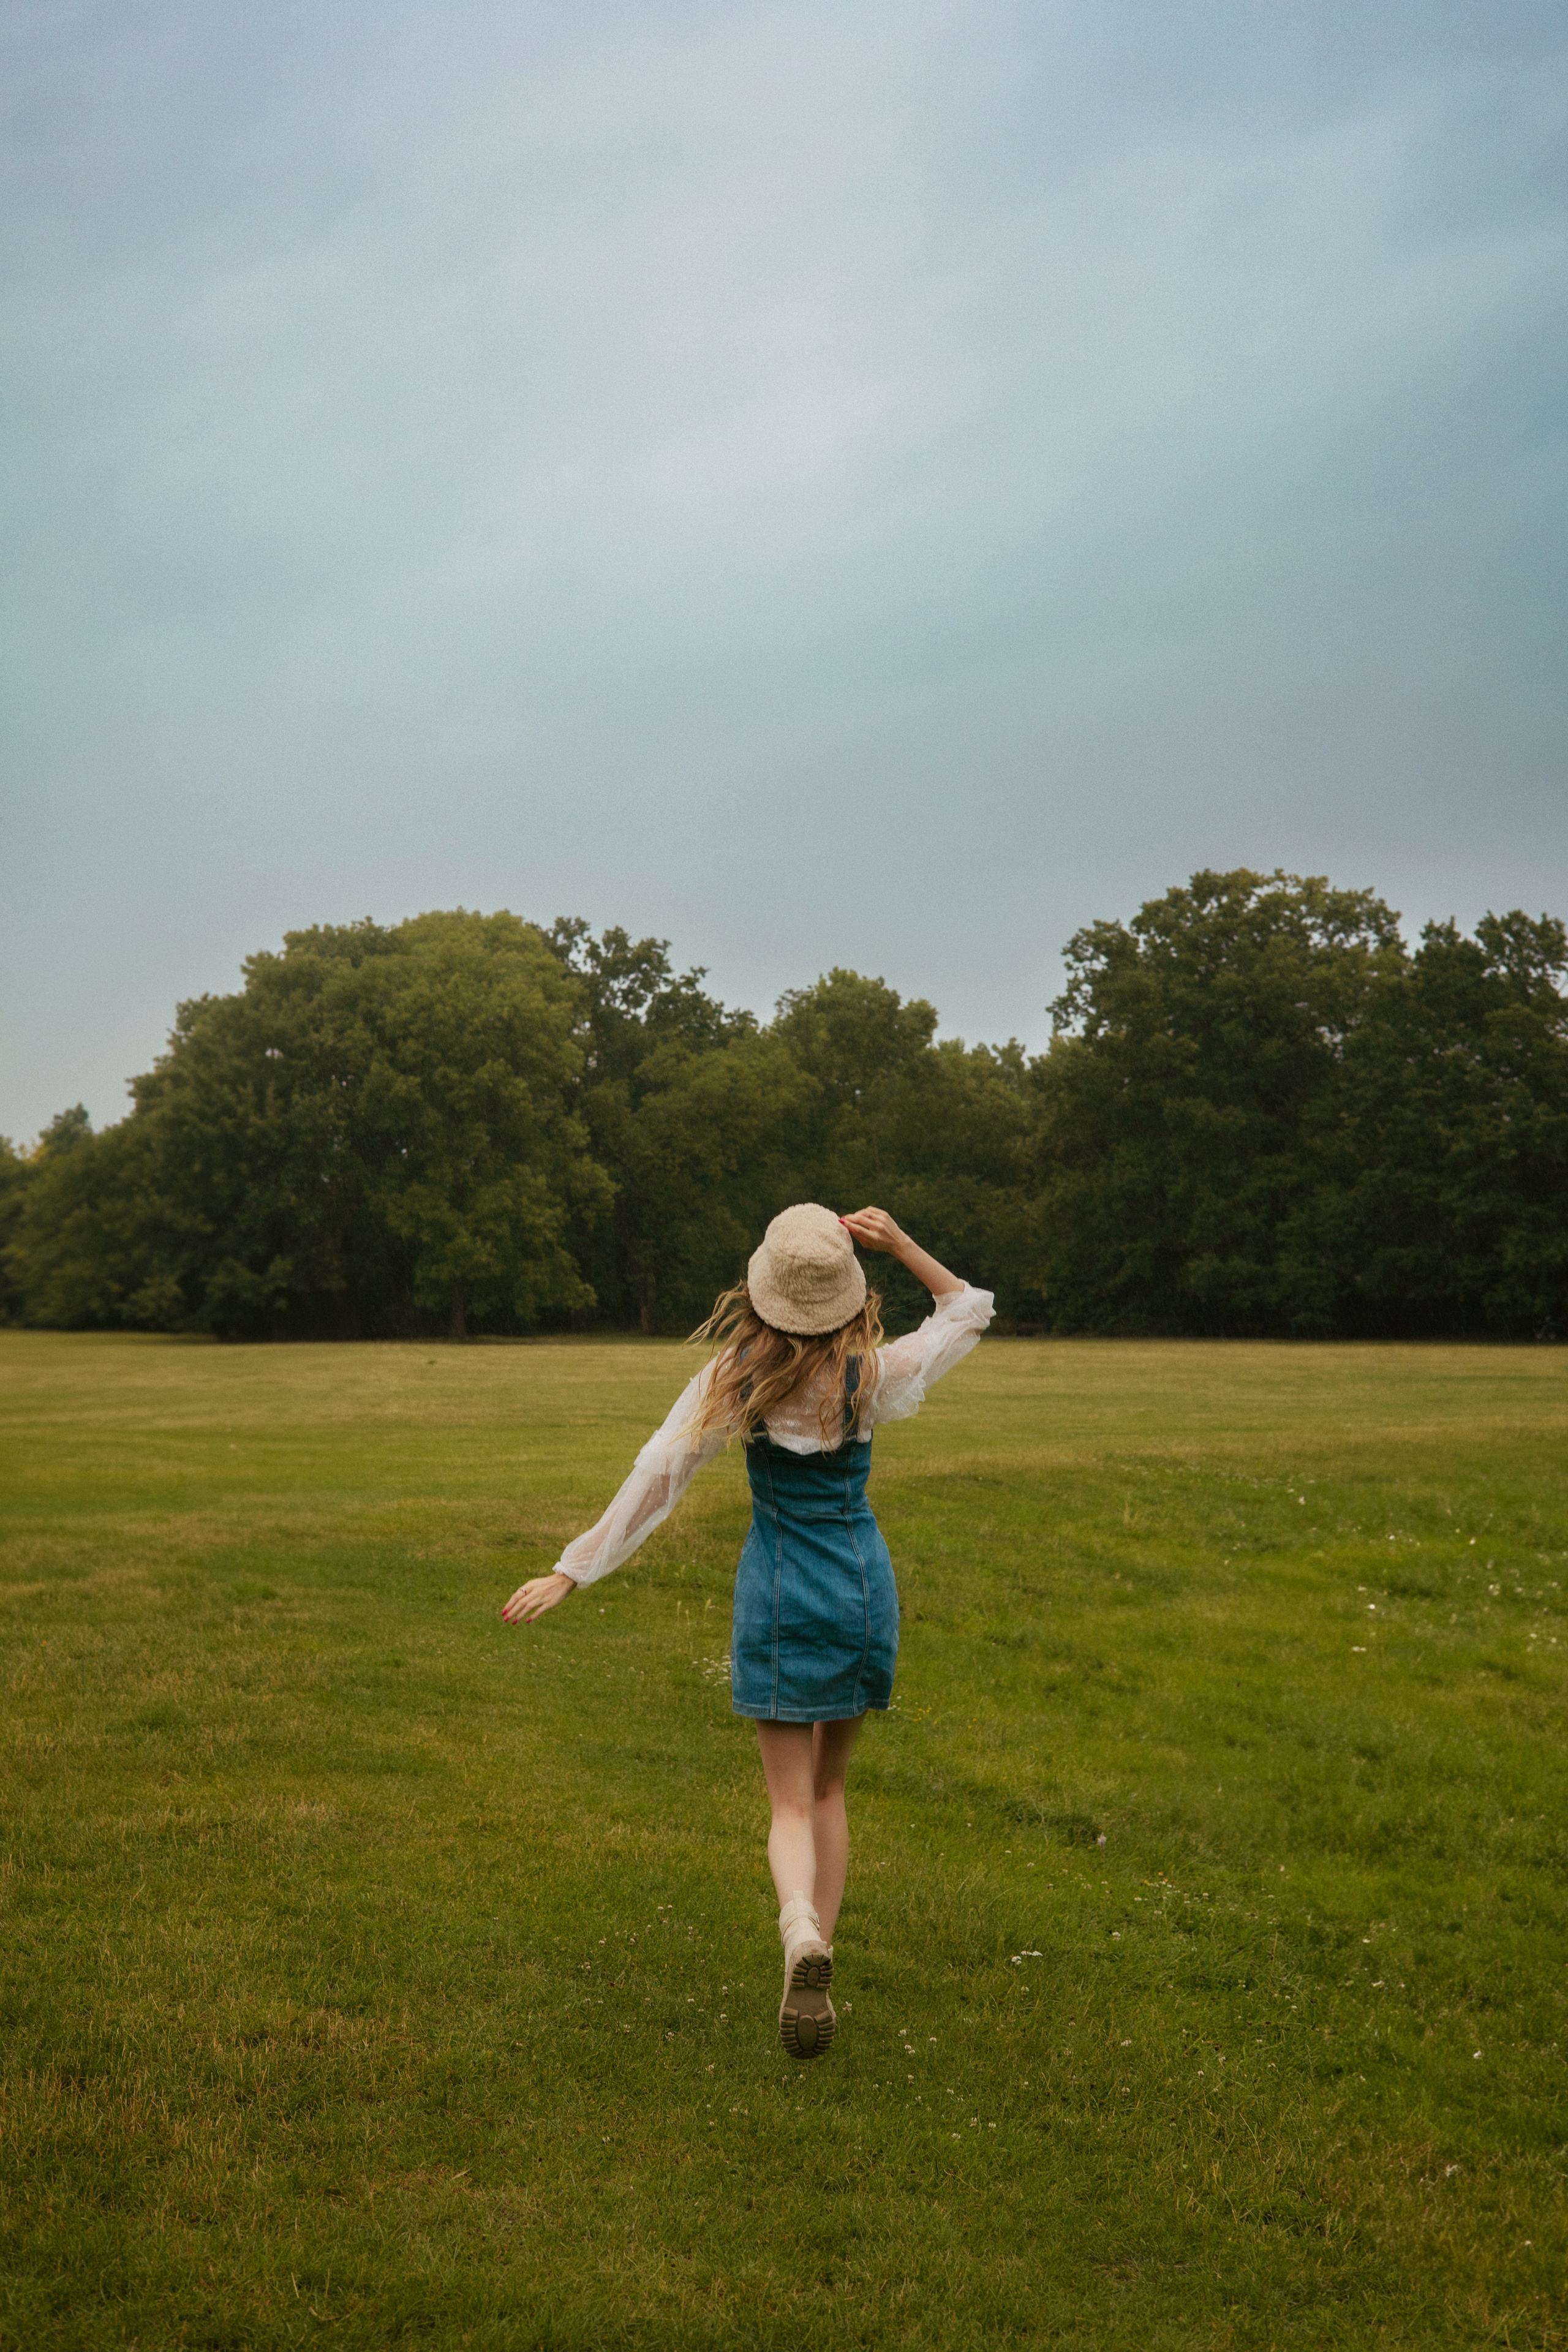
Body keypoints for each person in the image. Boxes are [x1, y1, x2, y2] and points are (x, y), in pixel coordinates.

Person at [502, 1204, 994, 2059]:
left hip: (775, 1591)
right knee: (833, 1789)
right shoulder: (869, 1376)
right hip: (859, 1587)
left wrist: (572, 1569)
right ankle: (818, 1952)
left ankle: (797, 1924)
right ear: (847, 1298)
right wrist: (902, 1243)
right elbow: (967, 1310)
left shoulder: (734, 1380)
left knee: (788, 1800)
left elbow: (657, 1478)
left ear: (762, 1297)